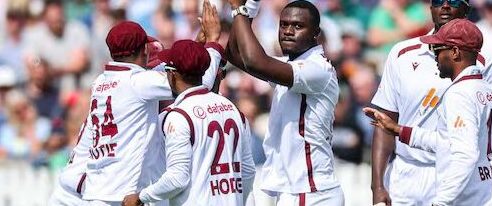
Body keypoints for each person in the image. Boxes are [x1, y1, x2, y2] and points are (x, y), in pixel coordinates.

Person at [48, 18, 224, 205]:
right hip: (117, 197)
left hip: (95, 192)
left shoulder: (100, 82)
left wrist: (195, 48)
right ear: (144, 50)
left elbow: (176, 75)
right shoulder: (138, 83)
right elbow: (195, 83)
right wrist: (212, 43)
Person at [369, 0, 492, 205]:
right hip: (405, 175)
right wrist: (377, 187)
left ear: (467, 9)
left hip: (458, 176)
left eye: (454, 0)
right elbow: (388, 123)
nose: (445, 6)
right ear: (430, 8)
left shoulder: (488, 63)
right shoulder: (401, 53)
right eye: (438, 1)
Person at [225, 0, 344, 205]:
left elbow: (254, 61)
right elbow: (236, 54)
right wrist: (250, 6)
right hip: (299, 190)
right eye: (284, 24)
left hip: (310, 192)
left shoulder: (316, 69)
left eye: (298, 26)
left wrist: (239, 10)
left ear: (316, 34)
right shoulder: (291, 65)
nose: (288, 31)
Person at [121, 38, 256, 206]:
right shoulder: (233, 109)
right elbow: (248, 172)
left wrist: (141, 197)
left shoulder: (178, 116)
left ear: (172, 73)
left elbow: (177, 179)